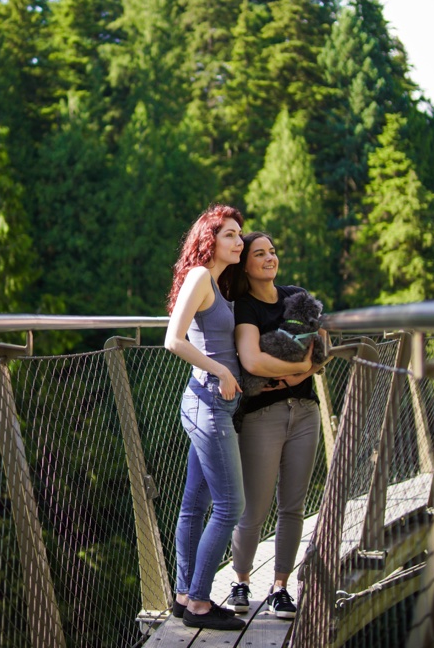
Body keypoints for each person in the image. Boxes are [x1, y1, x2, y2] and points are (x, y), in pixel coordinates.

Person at [226, 231, 326, 620]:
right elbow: (252, 362)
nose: (270, 258)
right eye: (260, 253)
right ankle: (241, 579)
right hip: (261, 416)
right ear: (245, 264)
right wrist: (299, 369)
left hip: (306, 412)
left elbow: (321, 347)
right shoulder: (243, 307)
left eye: (273, 252)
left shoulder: (296, 296)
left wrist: (294, 372)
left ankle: (281, 587)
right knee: (255, 507)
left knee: (293, 506)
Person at [164, 204, 254, 631]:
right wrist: (220, 370)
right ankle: (199, 601)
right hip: (208, 404)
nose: (239, 241)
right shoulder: (201, 277)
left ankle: (183, 596)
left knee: (195, 505)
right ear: (210, 240)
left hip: (212, 405)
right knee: (230, 505)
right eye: (231, 235)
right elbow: (172, 340)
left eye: (240, 235)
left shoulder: (216, 283)